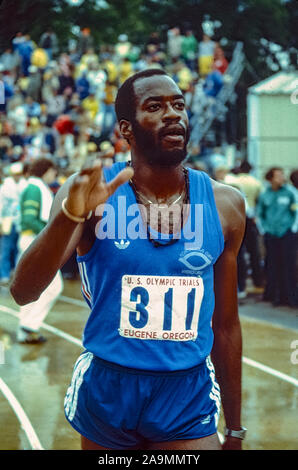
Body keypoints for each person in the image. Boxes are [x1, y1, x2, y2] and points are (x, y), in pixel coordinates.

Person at [11, 69, 246, 450]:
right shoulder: (88, 193)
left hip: (185, 391)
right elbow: (23, 292)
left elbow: (226, 325)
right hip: (110, 387)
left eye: (179, 105)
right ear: (127, 128)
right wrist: (69, 217)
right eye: (155, 107)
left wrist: (234, 427)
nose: (173, 114)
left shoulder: (226, 204)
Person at [16, 158, 64, 344]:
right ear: (45, 170)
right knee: (54, 287)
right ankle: (30, 325)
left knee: (32, 287)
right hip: (34, 240)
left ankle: (25, 330)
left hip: (33, 240)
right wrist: (49, 236)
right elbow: (29, 219)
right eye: (52, 171)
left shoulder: (35, 187)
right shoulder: (34, 188)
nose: (54, 175)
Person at [257, 167, 296, 307]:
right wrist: (264, 229)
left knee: (288, 266)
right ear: (270, 178)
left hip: (286, 234)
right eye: (278, 175)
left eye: (282, 175)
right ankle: (275, 296)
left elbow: (295, 211)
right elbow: (260, 214)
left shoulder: (289, 193)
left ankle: (291, 297)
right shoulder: (264, 194)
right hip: (271, 235)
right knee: (273, 266)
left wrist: (292, 229)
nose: (282, 178)